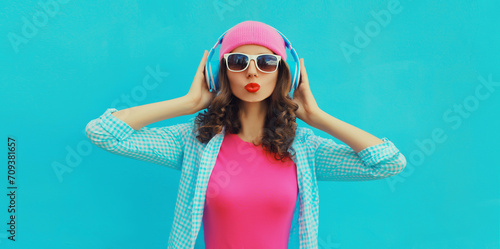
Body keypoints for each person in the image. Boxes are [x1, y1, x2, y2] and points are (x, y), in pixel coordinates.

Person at [85, 20, 406, 249]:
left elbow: (388, 164)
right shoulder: (195, 141)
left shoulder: (303, 148)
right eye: (238, 61)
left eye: (267, 62)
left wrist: (317, 117)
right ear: (220, 72)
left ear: (284, 73)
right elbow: (104, 133)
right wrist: (188, 103)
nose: (252, 71)